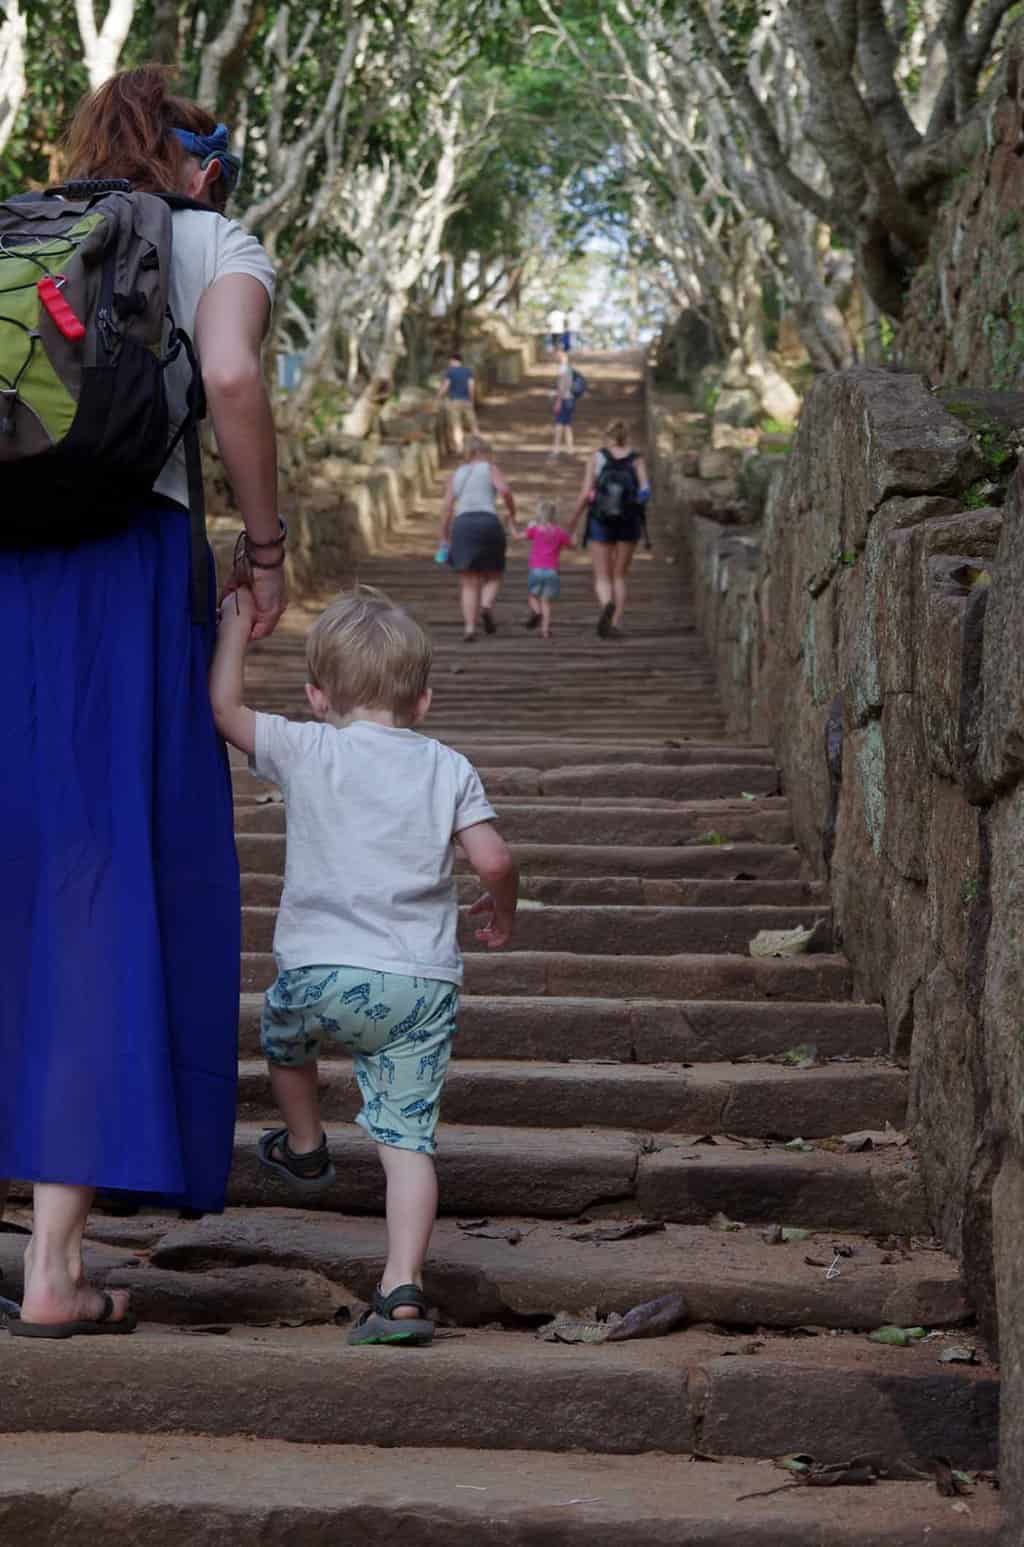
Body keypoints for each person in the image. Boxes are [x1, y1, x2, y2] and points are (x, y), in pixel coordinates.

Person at [0, 66, 283, 1338]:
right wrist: (267, 550)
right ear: (199, 160)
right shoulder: (205, 232)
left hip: (6, 568)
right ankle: (55, 1266)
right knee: (98, 874)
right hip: (122, 571)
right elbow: (229, 379)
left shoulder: (18, 228)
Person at [209, 585, 518, 1345]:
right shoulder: (448, 766)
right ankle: (402, 1288)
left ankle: (307, 1145)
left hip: (318, 973)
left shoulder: (306, 746)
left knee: (283, 1040)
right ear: (423, 700)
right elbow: (494, 858)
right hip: (418, 984)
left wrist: (235, 630)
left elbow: (222, 710)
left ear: (317, 696)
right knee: (408, 1140)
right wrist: (501, 908)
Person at [572, 418, 651, 640]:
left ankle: (606, 603)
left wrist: (572, 522)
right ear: (627, 436)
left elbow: (586, 493)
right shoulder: (637, 460)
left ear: (607, 436)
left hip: (600, 520)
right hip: (628, 521)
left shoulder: (596, 458)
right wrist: (635, 501)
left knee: (602, 577)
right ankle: (615, 622)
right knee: (619, 576)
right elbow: (646, 491)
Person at [439, 435, 516, 642]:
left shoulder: (457, 474)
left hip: (463, 526)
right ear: (485, 452)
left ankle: (470, 628)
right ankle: (486, 605)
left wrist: (444, 535)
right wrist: (511, 511)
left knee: (469, 583)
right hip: (488, 522)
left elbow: (447, 508)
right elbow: (505, 490)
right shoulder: (490, 468)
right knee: (493, 575)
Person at [513, 499, 574, 640]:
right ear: (554, 516)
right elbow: (573, 545)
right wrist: (574, 534)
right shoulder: (560, 533)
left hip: (536, 571)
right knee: (546, 601)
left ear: (539, 515)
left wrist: (511, 524)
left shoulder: (534, 530)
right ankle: (545, 631)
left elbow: (517, 537)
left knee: (532, 596)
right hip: (552, 572)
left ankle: (536, 611)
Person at [436, 351, 477, 455]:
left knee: (456, 426)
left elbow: (446, 386)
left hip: (454, 401)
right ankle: (478, 444)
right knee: (473, 424)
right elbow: (471, 386)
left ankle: (460, 448)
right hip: (467, 400)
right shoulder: (468, 371)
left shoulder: (450, 372)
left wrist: (438, 396)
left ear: (453, 360)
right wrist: (471, 399)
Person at [551, 350, 579, 459]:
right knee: (567, 425)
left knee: (559, 425)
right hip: (570, 399)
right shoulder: (569, 369)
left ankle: (556, 449)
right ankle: (570, 449)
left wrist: (558, 401)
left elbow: (562, 387)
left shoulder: (563, 369)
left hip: (564, 400)